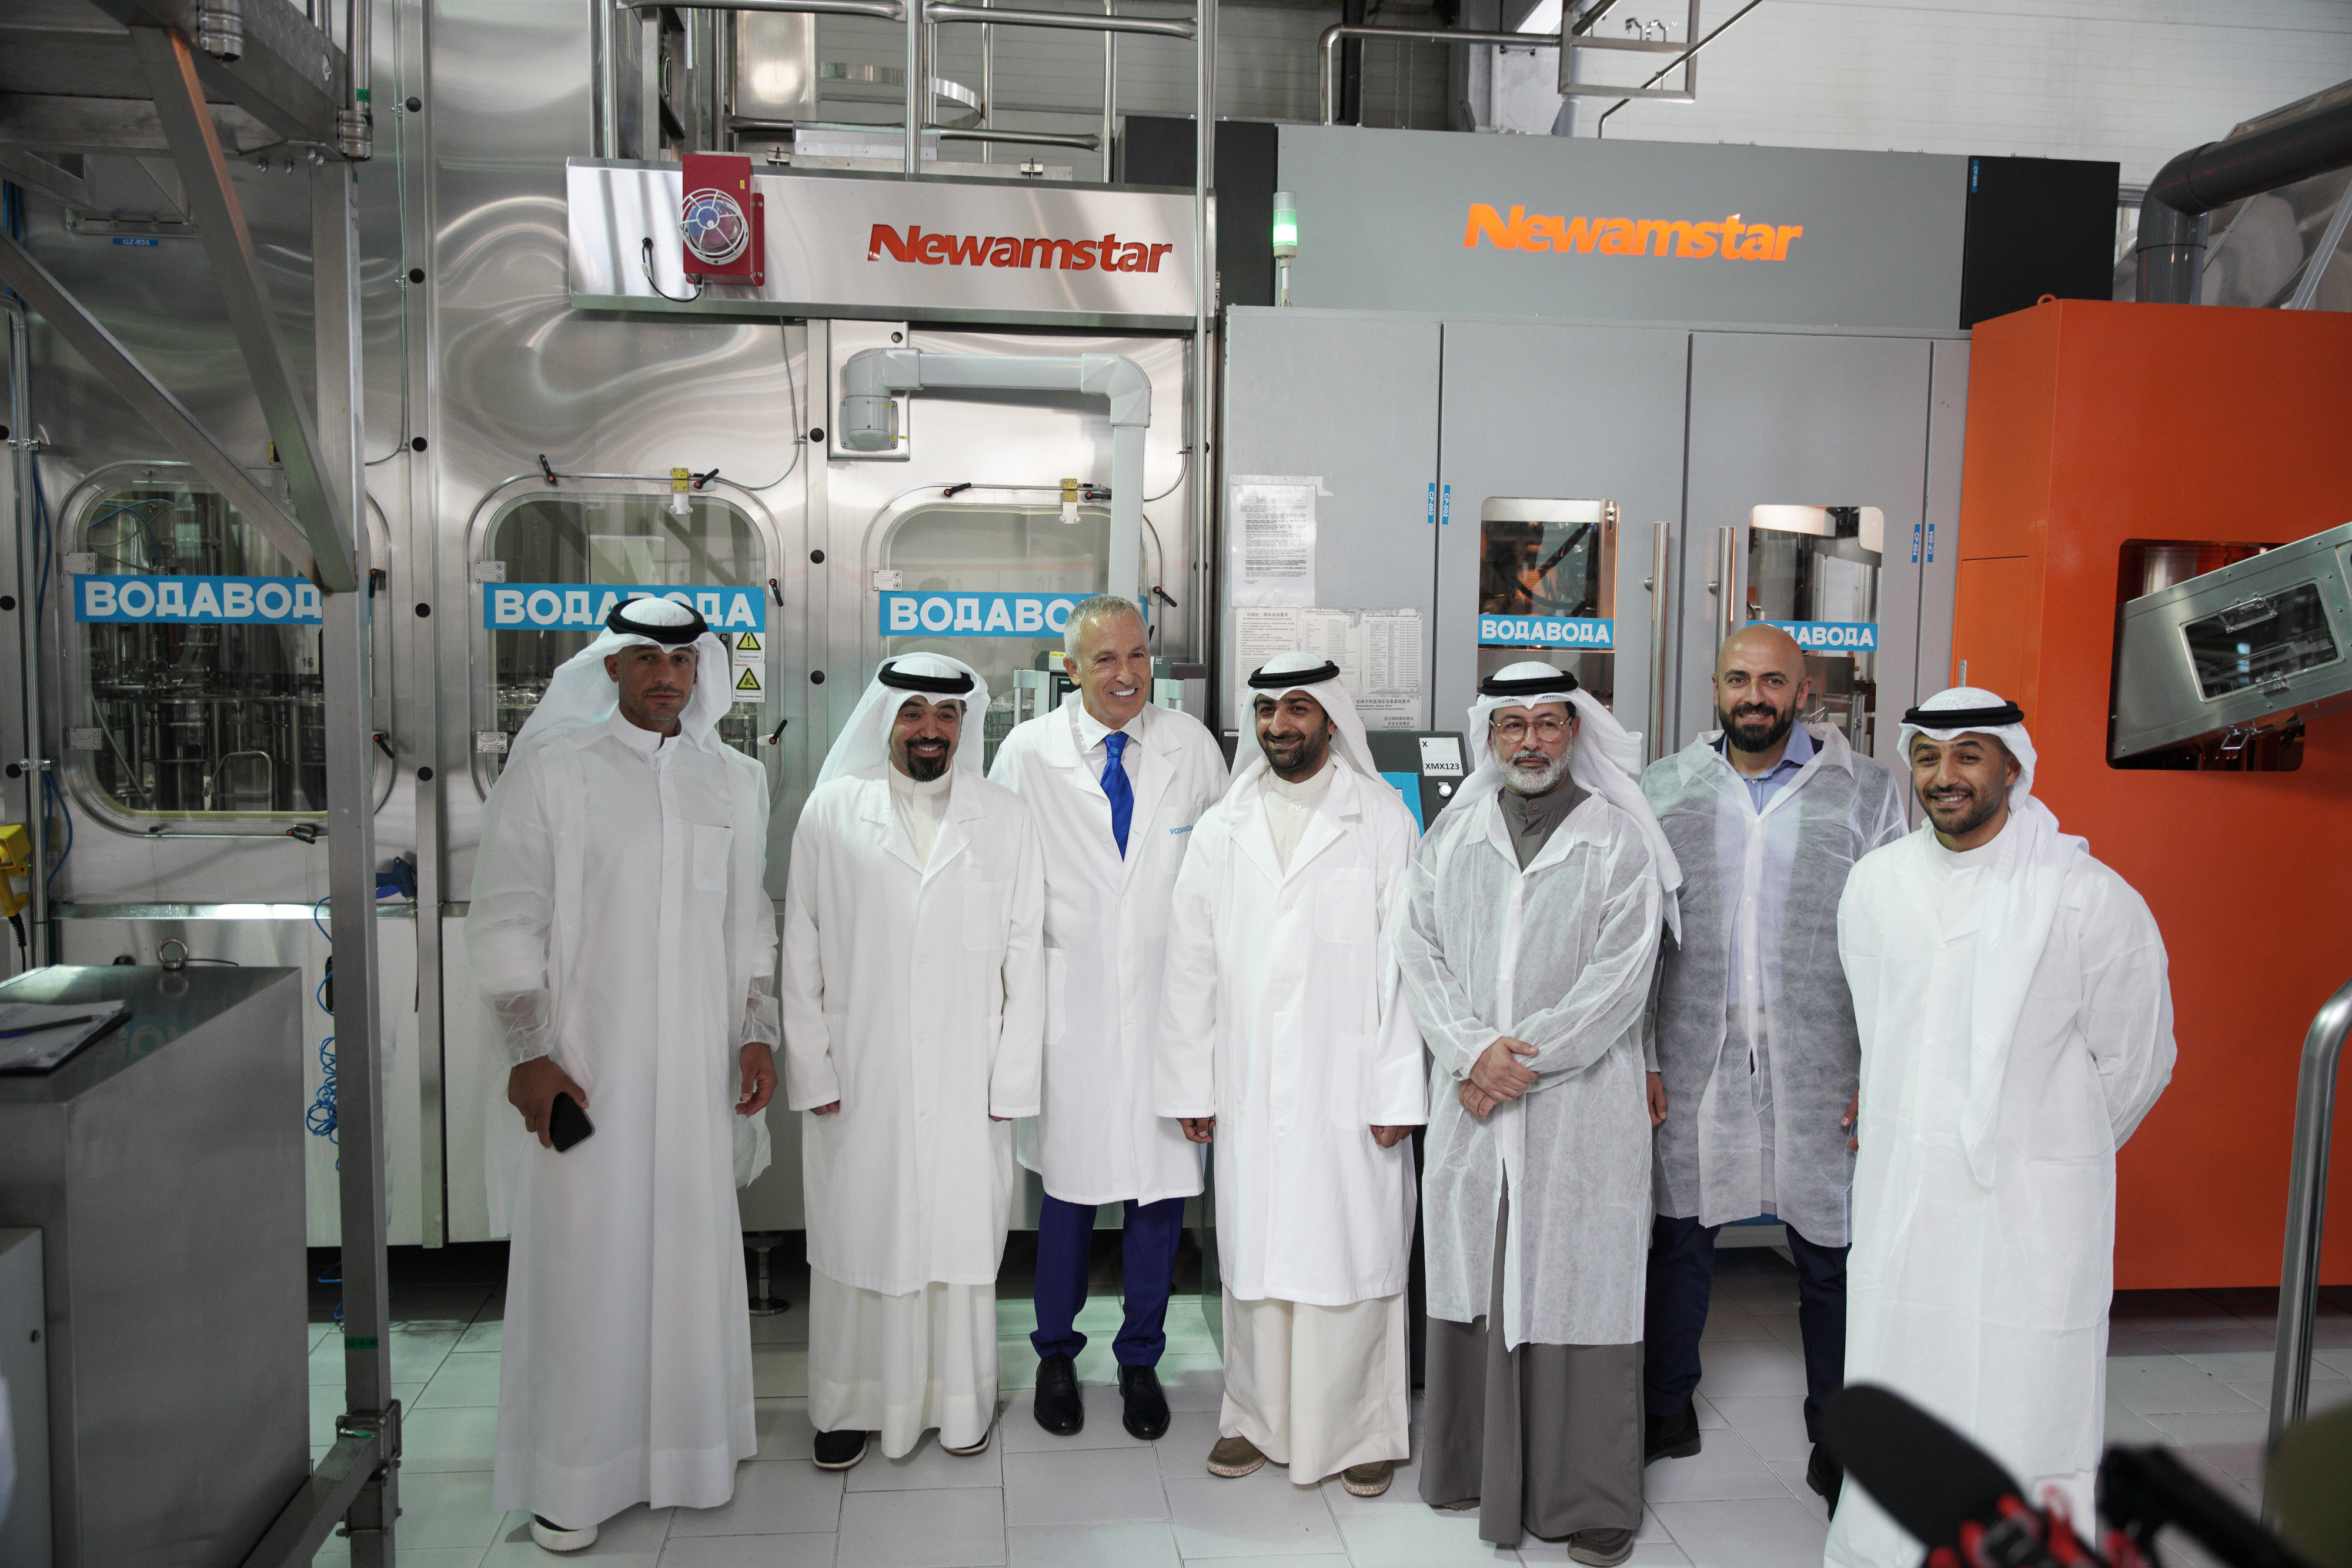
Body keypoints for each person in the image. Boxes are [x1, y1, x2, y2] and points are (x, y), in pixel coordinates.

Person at [1825, 687, 2175, 1568]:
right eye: (1928, 757)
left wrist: (2050, 1151)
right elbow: (1876, 1026)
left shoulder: (2087, 897)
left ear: (2013, 767)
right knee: (1904, 1372)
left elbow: (2138, 1061)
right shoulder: (1877, 884)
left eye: (1969, 755)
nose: (1945, 776)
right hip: (1908, 1194)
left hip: (2035, 1208)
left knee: (2030, 1392)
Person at [468, 596, 780, 1553]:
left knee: (689, 1254)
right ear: (610, 666)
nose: (666, 677)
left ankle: (689, 1456)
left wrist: (756, 1031)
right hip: (587, 1064)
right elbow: (507, 917)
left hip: (695, 1070)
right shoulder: (556, 772)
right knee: (584, 1266)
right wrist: (529, 1053)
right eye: (646, 659)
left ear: (702, 670)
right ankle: (572, 1479)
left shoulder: (736, 780)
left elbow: (750, 918)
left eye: (682, 661)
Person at [1398, 661, 1679, 1566]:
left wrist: (1511, 1064)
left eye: (1548, 723)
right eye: (1512, 725)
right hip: (1474, 1104)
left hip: (1579, 1109)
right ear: (1490, 737)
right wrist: (1469, 1051)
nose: (1531, 741)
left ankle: (1588, 1497)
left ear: (1576, 731)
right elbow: (1419, 952)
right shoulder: (1454, 835)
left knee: (1579, 1286)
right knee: (1477, 1276)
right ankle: (1470, 1468)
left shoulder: (1618, 840)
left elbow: (1621, 981)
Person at [1638, 625, 1907, 1506]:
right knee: (1680, 1237)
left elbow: (1899, 941)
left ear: (1804, 691)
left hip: (1825, 1054)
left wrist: (1883, 1067)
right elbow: (1638, 937)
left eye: (1773, 681)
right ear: (1716, 686)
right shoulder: (1666, 787)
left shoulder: (1867, 792)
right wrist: (1645, 1054)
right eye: (1738, 679)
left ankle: (1839, 1435)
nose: (1754, 696)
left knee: (1831, 1250)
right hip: (1693, 1050)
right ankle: (1663, 1408)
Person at [1156, 653, 1425, 1497]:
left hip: (1350, 1089)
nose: (1280, 724)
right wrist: (1190, 1083)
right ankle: (1253, 1419)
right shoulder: (1223, 825)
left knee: (1351, 1258)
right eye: (1268, 709)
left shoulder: (1382, 820)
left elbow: (1406, 968)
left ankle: (1364, 1430)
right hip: (1249, 1084)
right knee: (1260, 1260)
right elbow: (1190, 964)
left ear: (1331, 720)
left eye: (1298, 708)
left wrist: (1397, 1090)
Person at [779, 653, 1044, 1472]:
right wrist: (813, 1068)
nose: (931, 730)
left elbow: (1025, 953)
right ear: (886, 721)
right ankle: (847, 1404)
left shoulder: (1005, 817)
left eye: (947, 715)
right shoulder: (832, 810)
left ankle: (959, 1404)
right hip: (863, 1076)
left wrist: (1013, 1076)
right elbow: (801, 947)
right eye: (914, 713)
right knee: (863, 1235)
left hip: (970, 1076)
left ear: (964, 725)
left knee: (957, 1243)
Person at [988, 596, 1228, 1442]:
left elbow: (1221, 876)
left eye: (1137, 656)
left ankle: (1140, 1360)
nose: (1126, 675)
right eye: (1104, 660)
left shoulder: (1192, 748)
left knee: (1158, 1196)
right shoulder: (1027, 753)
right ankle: (1056, 1354)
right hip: (1070, 1011)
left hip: (1170, 1008)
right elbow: (999, 884)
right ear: (1072, 669)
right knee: (1069, 1193)